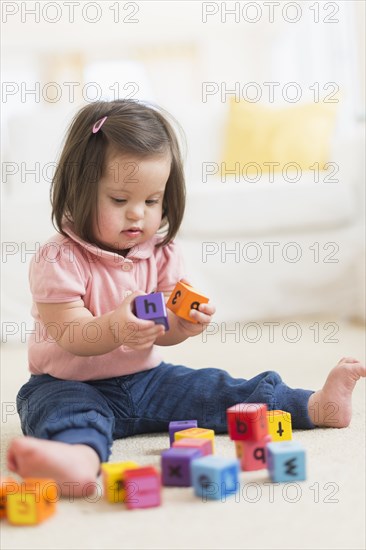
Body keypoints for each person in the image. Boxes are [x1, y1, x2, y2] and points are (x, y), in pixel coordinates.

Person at [7, 100, 365, 498]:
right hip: (66, 383)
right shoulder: (58, 258)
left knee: (215, 388)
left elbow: (164, 331)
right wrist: (115, 326)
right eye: (120, 200)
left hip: (146, 379)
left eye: (151, 200)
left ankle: (314, 405)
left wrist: (181, 325)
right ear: (80, 190)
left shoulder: (161, 252)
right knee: (68, 414)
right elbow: (70, 333)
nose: (137, 216)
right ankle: (77, 460)